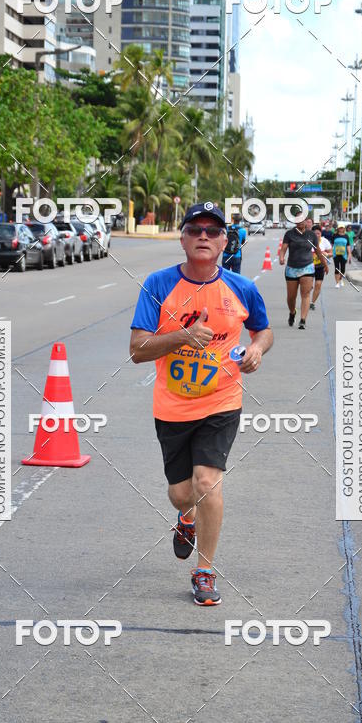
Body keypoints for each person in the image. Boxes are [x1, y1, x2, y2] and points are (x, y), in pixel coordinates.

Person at [129, 202, 273, 607]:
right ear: (183, 239)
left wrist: (258, 350)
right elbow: (137, 350)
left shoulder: (242, 288)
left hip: (221, 401)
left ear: (226, 241)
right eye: (196, 230)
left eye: (213, 231)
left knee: (207, 481)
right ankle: (185, 518)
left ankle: (205, 570)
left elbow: (263, 331)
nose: (204, 236)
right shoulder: (158, 285)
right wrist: (181, 338)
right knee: (180, 493)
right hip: (172, 406)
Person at [279, 217, 329, 329]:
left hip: (307, 268)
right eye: (298, 220)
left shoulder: (311, 235)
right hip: (292, 268)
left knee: (305, 294)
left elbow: (318, 251)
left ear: (306, 222)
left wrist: (325, 265)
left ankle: (303, 320)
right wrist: (281, 257)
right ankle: (292, 312)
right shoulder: (289, 234)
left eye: (303, 220)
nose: (301, 222)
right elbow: (283, 248)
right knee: (291, 297)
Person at [310, 224, 332, 310]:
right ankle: (306, 299)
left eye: (318, 233)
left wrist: (326, 254)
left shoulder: (325, 241)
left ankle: (312, 302)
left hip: (320, 266)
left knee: (318, 285)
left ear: (321, 233)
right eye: (314, 233)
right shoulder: (308, 241)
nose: (316, 235)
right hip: (309, 266)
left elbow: (331, 253)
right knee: (309, 286)